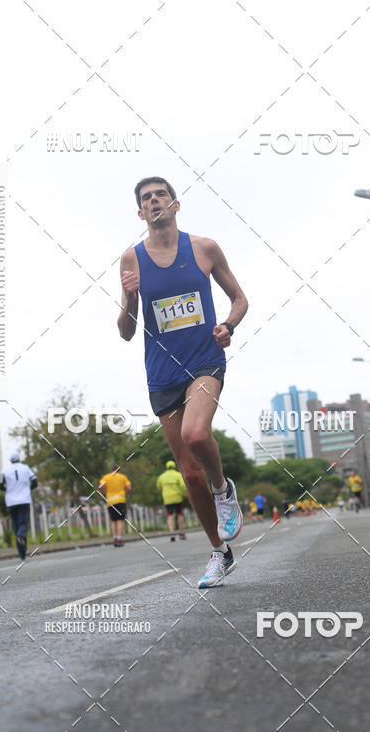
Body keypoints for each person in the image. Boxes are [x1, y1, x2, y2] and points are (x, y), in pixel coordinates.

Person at [118, 177, 248, 588]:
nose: (154, 201)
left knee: (196, 434)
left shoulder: (204, 248)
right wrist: (130, 300)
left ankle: (224, 489)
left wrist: (228, 325)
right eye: (146, 199)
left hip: (204, 361)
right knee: (189, 474)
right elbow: (124, 331)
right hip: (162, 374)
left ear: (175, 204)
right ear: (141, 214)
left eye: (160, 195)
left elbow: (240, 299)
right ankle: (219, 552)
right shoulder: (131, 260)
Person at [0, 450, 37, 561]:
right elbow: (35, 482)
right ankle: (21, 537)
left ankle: (22, 553)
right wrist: (27, 490)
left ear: (10, 461)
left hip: (11, 501)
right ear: (19, 459)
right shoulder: (25, 468)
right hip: (24, 500)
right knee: (23, 523)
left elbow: (0, 486)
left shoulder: (4, 471)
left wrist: (9, 490)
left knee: (16, 526)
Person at [99, 465, 132, 547]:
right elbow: (129, 488)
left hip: (110, 501)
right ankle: (119, 539)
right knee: (120, 520)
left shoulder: (106, 477)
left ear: (111, 470)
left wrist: (104, 494)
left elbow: (100, 486)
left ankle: (114, 538)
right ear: (119, 471)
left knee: (113, 521)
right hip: (121, 500)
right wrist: (125, 494)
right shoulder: (123, 477)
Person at [157, 459, 187, 541]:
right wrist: (184, 495)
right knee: (180, 514)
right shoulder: (178, 475)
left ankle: (172, 533)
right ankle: (181, 533)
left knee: (170, 515)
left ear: (166, 467)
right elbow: (183, 486)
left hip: (167, 499)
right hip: (178, 498)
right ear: (174, 466)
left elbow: (158, 487)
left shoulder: (161, 476)